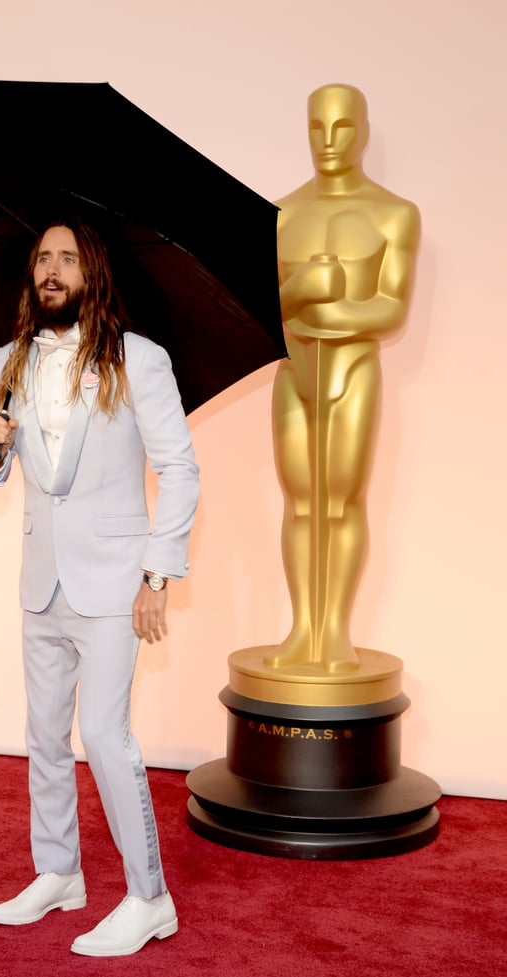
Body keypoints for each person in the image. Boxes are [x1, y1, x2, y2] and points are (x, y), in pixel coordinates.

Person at [0, 218, 200, 957]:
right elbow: (0, 471)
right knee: (44, 735)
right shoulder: (8, 361)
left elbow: (180, 471)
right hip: (41, 580)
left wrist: (156, 576)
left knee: (105, 735)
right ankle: (58, 873)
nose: (52, 270)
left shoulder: (141, 362)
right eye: (44, 258)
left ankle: (149, 898)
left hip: (113, 583)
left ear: (91, 274)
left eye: (67, 259)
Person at [268, 83, 420, 674]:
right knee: (300, 502)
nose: (327, 141)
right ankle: (302, 626)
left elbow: (391, 309)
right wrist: (303, 288)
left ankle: (334, 632)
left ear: (363, 131)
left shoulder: (393, 214)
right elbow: (264, 307)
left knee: (343, 500)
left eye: (342, 127)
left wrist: (330, 312)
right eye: (316, 127)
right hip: (295, 370)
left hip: (353, 368)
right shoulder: (281, 214)